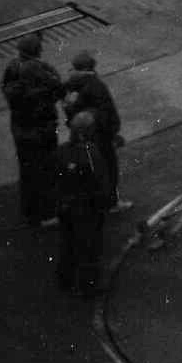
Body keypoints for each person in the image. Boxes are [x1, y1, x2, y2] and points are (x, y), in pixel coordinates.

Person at [0, 32, 63, 227]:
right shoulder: (37, 70)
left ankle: (30, 211)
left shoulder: (12, 67)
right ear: (37, 51)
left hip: (21, 127)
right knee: (45, 170)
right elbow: (58, 87)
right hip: (41, 129)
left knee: (28, 171)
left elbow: (6, 87)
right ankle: (45, 213)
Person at [61, 51, 131, 212]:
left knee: (89, 169)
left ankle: (94, 202)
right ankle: (112, 203)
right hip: (100, 135)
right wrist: (113, 132)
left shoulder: (69, 85)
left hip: (81, 133)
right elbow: (107, 112)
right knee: (109, 168)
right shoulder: (96, 85)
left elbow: (68, 107)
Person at [53, 111, 113, 296]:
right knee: (89, 247)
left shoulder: (62, 151)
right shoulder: (91, 154)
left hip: (66, 206)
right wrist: (105, 204)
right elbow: (102, 183)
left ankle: (65, 279)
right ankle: (89, 286)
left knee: (68, 244)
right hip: (86, 208)